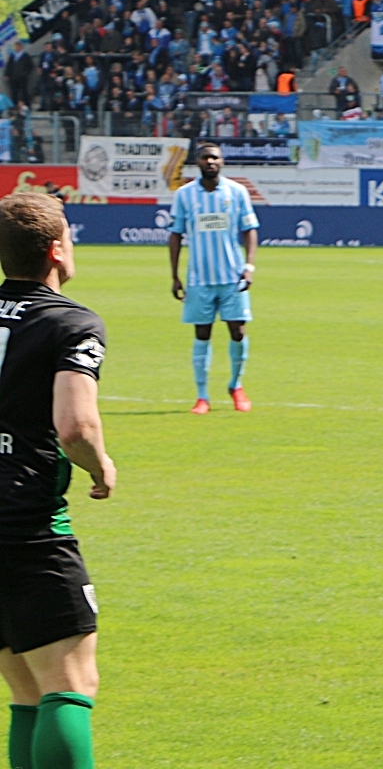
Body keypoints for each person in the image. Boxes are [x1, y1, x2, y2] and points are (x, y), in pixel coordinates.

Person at [0, 193, 116, 769]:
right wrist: (99, 466)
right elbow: (75, 425)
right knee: (71, 682)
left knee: (26, 691)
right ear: (55, 250)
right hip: (25, 521)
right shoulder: (70, 321)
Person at [168, 143, 258, 414]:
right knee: (202, 334)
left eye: (215, 157)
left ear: (223, 162)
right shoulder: (185, 195)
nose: (210, 161)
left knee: (238, 331)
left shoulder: (237, 191)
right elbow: (176, 234)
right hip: (199, 278)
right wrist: (174, 275)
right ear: (198, 162)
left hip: (233, 277)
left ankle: (236, 385)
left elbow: (250, 229)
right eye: (206, 157)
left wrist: (249, 266)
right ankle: (202, 395)